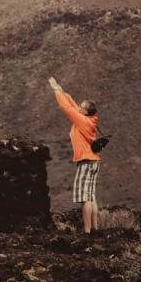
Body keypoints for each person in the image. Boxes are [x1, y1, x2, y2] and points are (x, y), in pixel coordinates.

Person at [48, 76, 100, 234]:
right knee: (91, 196)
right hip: (94, 161)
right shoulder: (88, 119)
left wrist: (56, 90)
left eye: (82, 107)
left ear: (85, 112)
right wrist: (60, 88)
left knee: (84, 198)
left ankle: (87, 231)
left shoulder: (81, 120)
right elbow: (71, 104)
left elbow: (66, 108)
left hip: (86, 162)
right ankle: (95, 229)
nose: (79, 106)